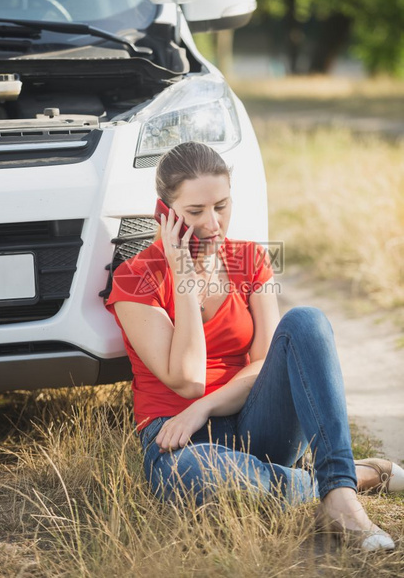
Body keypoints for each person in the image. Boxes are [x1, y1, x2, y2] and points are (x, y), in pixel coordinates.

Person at [106, 141, 404, 552]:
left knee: (307, 321)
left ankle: (339, 497)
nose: (213, 223)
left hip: (254, 421)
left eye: (222, 206)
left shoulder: (250, 258)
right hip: (178, 442)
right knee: (201, 476)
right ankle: (351, 476)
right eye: (195, 212)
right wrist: (183, 277)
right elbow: (188, 381)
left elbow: (264, 364)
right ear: (166, 213)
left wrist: (206, 407)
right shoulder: (134, 278)